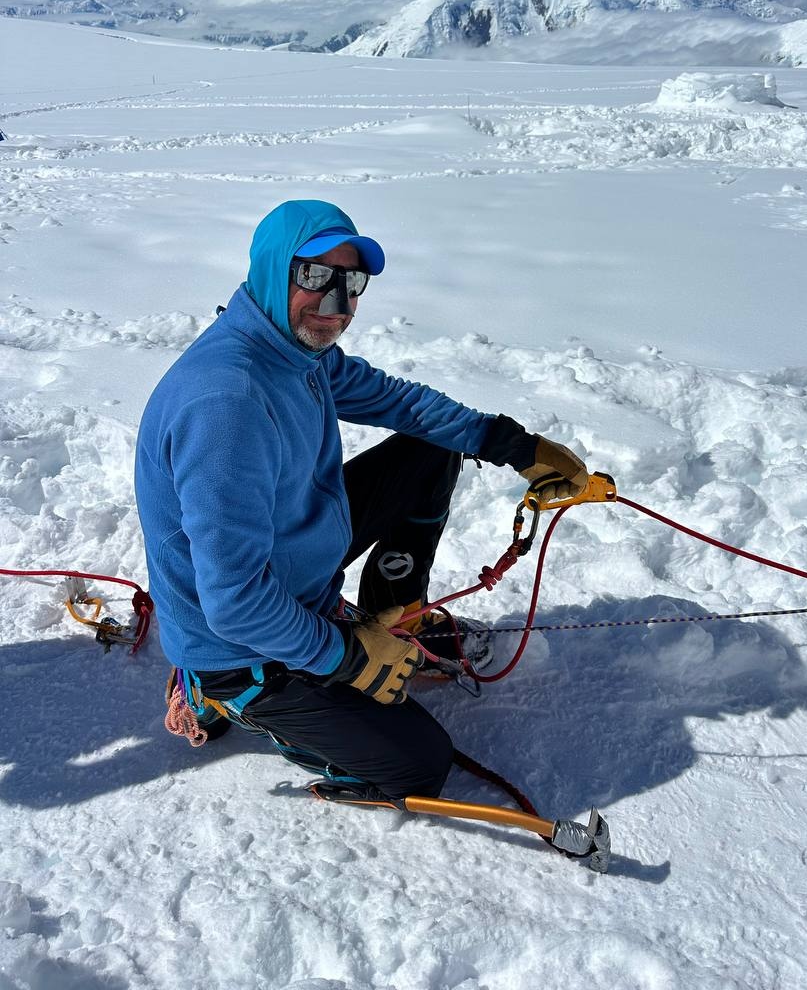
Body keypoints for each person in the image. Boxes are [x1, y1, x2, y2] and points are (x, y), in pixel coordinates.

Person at [136, 199, 588, 799]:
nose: (337, 303)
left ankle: (391, 616)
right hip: (236, 642)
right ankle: (215, 693)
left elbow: (399, 402)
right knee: (418, 765)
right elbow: (235, 601)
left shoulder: (296, 352)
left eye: (351, 283)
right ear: (272, 270)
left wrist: (511, 444)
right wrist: (347, 657)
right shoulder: (228, 405)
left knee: (430, 448)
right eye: (315, 275)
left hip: (287, 559)